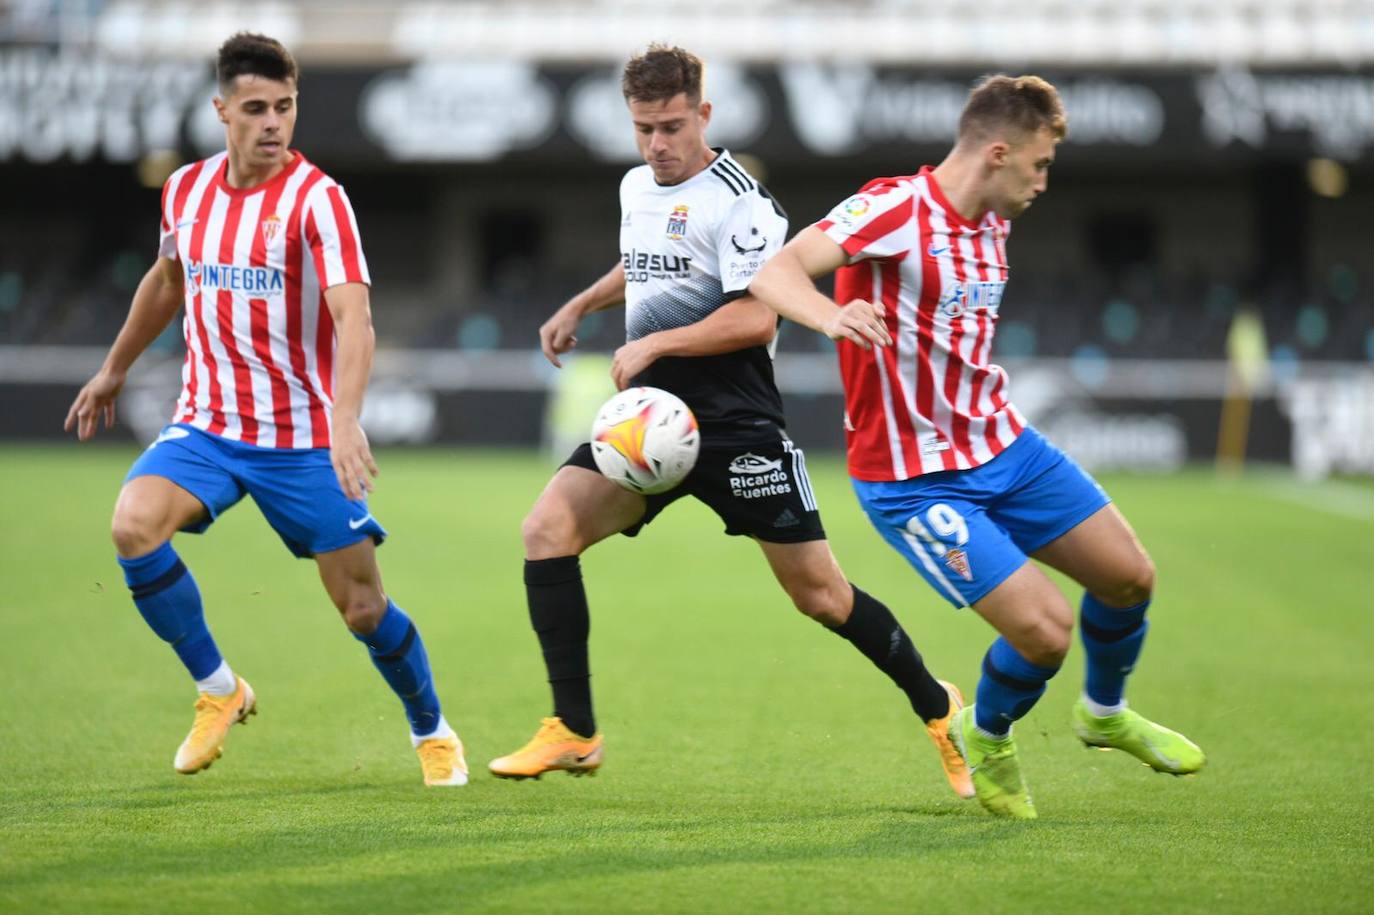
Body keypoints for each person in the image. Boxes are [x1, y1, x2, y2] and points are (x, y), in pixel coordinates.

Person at [488, 44, 971, 802]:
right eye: (644, 127)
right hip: (647, 423)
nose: (658, 143)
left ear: (704, 115)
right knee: (546, 530)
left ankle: (940, 707)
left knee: (822, 597)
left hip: (734, 424)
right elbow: (645, 260)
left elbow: (755, 313)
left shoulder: (743, 199)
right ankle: (574, 730)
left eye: (673, 125)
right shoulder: (635, 186)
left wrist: (655, 340)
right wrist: (582, 304)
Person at [748, 74, 1204, 819]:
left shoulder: (995, 217)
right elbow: (774, 269)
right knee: (1046, 633)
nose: (1044, 181)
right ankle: (986, 734)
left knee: (1129, 577)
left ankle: (1103, 711)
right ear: (998, 152)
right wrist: (829, 318)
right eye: (1040, 164)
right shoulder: (894, 206)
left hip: (1005, 446)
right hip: (914, 479)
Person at [63, 32, 466, 787]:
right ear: (221, 109)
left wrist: (345, 419)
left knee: (363, 609)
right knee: (132, 525)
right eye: (255, 108)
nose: (273, 123)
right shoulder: (185, 189)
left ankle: (432, 728)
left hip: (305, 437)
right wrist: (115, 367)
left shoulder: (319, 199)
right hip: (209, 422)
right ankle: (219, 688)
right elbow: (166, 280)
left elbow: (356, 320)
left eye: (285, 107)